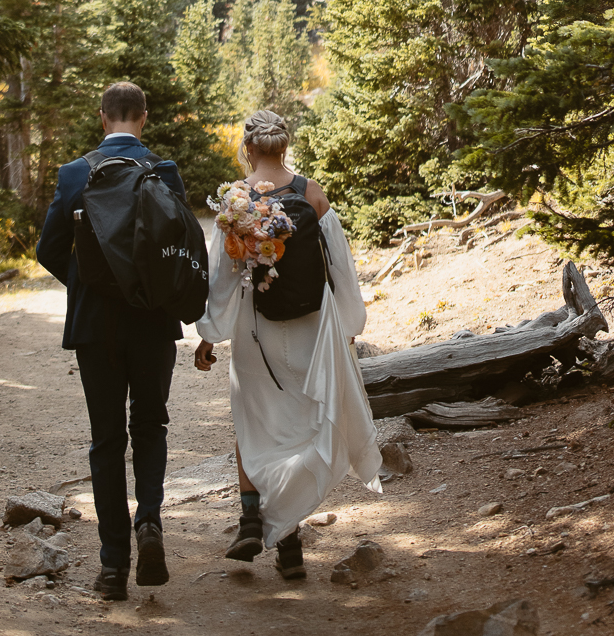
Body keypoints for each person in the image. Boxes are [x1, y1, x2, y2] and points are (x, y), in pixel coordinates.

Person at [194, 108, 381, 579]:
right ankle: (289, 546)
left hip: (254, 327)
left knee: (254, 422)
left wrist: (209, 333)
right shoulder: (311, 193)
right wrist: (350, 322)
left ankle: (251, 518)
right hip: (310, 325)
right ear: (283, 145)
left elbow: (222, 277)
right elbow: (339, 264)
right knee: (300, 426)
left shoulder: (236, 200)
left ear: (249, 148)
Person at [36, 80, 188, 600]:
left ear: (102, 118)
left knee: (106, 441)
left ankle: (110, 566)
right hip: (152, 324)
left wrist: (88, 285)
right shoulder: (164, 171)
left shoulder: (75, 173)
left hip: (95, 327)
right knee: (150, 426)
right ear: (143, 118)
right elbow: (177, 250)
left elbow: (47, 249)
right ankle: (149, 522)